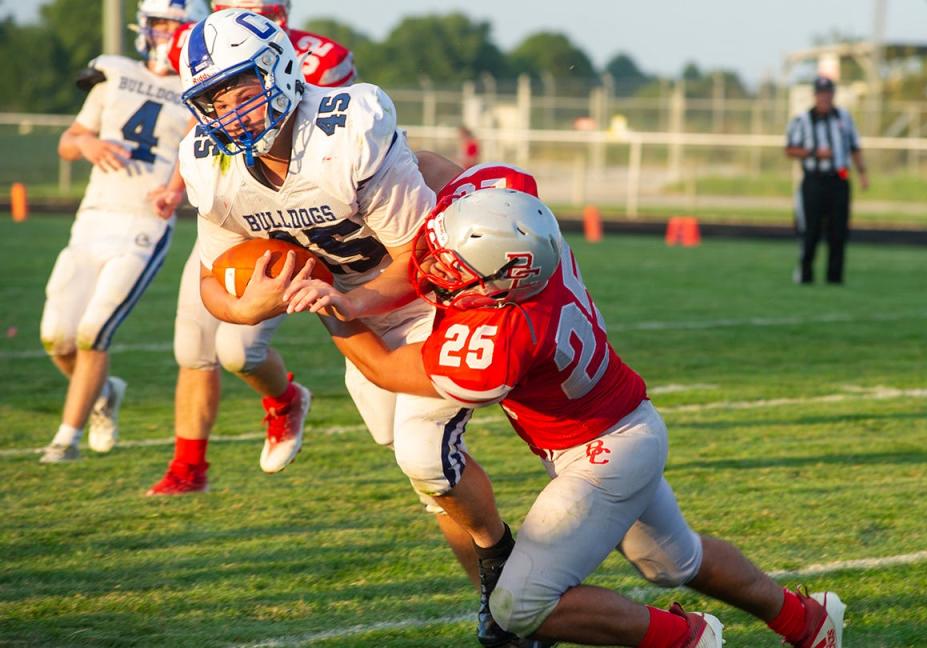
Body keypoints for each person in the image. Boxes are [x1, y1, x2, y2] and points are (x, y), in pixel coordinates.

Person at [285, 166, 847, 648]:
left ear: (505, 280)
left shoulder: (506, 336)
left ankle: (687, 638)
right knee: (672, 562)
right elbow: (446, 169)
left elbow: (383, 369)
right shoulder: (520, 225)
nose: (434, 269)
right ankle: (809, 622)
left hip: (600, 456)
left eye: (454, 269)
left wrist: (329, 302)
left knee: (518, 608)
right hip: (632, 426)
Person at [173, 12, 540, 646]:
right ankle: (498, 573)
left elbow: (420, 261)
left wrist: (350, 300)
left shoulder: (347, 129)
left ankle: (508, 574)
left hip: (433, 299)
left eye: (239, 86)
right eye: (212, 97)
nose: (228, 108)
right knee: (427, 480)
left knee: (424, 455)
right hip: (354, 318)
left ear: (280, 67)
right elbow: (212, 279)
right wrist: (249, 308)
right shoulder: (214, 165)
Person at [144, 0, 359, 495]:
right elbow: (198, 130)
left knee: (239, 349)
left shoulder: (321, 56)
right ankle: (189, 467)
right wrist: (178, 186)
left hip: (305, 218)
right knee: (195, 343)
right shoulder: (194, 48)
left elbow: (335, 142)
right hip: (235, 212)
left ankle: (286, 400)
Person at [38, 0, 205, 464]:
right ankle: (103, 392)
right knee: (57, 337)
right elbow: (68, 142)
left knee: (94, 333)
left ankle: (65, 439)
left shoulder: (199, 90)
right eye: (161, 23)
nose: (167, 33)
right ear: (145, 27)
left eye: (177, 24)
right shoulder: (112, 75)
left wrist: (174, 191)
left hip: (143, 222)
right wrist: (88, 142)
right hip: (92, 216)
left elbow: (196, 156)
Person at [786, 76, 869, 285]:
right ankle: (805, 274)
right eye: (821, 93)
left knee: (839, 231)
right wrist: (815, 153)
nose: (825, 97)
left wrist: (862, 173)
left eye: (828, 93)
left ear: (833, 94)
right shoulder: (802, 120)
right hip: (814, 180)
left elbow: (854, 147)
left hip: (839, 180)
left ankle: (835, 278)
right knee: (811, 230)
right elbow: (790, 149)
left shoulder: (844, 117)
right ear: (815, 95)